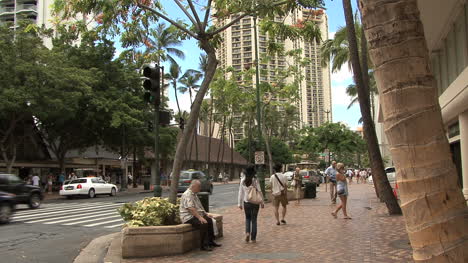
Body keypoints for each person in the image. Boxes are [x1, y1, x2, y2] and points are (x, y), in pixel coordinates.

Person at [180, 180, 221, 251]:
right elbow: (190, 209)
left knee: (209, 220)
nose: (200, 189)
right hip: (187, 217)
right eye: (199, 187)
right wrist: (200, 218)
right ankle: (203, 245)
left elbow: (199, 207)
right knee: (203, 223)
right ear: (193, 186)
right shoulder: (187, 194)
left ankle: (210, 241)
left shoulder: (194, 194)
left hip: (194, 215)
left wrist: (206, 214)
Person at [238, 165, 264, 243]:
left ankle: (247, 233)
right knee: (254, 220)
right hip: (255, 202)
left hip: (247, 202)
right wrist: (262, 202)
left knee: (247, 218)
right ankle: (253, 238)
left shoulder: (243, 180)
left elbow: (240, 192)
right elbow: (259, 191)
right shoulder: (255, 180)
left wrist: (239, 203)